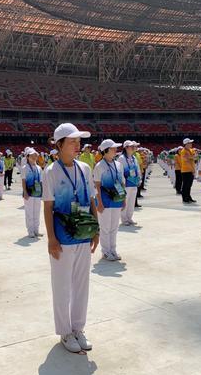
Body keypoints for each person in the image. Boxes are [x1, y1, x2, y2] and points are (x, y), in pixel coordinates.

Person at [42, 123, 99, 353]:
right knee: (62, 286)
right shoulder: (51, 172)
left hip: (83, 235)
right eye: (73, 141)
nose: (78, 145)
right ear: (60, 144)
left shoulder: (85, 168)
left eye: (79, 141)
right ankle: (65, 332)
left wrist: (96, 229)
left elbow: (92, 200)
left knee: (81, 285)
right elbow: (48, 207)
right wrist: (51, 239)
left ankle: (78, 328)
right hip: (63, 238)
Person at [93, 139, 126, 261]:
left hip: (116, 200)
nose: (115, 150)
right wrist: (99, 203)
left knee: (114, 227)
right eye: (112, 148)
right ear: (106, 151)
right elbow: (96, 185)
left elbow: (122, 183)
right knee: (105, 227)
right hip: (105, 202)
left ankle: (113, 250)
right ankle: (106, 251)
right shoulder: (99, 166)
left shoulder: (118, 165)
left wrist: (124, 199)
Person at [21, 147, 43, 238]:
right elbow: (23, 181)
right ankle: (30, 231)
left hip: (37, 193)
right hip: (29, 193)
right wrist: (25, 192)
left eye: (35, 155)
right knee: (29, 212)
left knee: (37, 212)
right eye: (32, 155)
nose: (34, 157)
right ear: (27, 156)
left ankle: (36, 230)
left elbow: (41, 181)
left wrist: (42, 192)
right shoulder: (25, 168)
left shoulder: (39, 168)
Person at [118, 140, 141, 226]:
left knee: (131, 202)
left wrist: (139, 179)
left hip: (134, 183)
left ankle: (129, 217)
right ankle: (124, 219)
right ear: (126, 148)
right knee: (125, 202)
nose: (133, 148)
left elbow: (137, 169)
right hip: (126, 184)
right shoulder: (121, 158)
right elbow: (120, 172)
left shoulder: (134, 158)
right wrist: (122, 184)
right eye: (131, 146)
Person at [180, 138, 197, 203]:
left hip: (191, 170)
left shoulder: (190, 150)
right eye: (189, 143)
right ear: (186, 144)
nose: (191, 144)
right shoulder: (183, 151)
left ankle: (188, 197)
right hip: (186, 170)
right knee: (185, 185)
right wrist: (192, 157)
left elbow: (195, 157)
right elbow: (186, 160)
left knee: (189, 185)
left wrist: (192, 157)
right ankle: (185, 198)